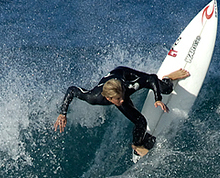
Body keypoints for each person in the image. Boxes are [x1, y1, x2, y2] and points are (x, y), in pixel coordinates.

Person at [53, 66, 190, 157]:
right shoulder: (94, 97)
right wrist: (62, 113)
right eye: (118, 99)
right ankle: (136, 145)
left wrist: (157, 99)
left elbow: (151, 78)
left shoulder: (128, 87)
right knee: (140, 121)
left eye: (122, 97)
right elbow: (72, 90)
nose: (122, 101)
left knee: (165, 88)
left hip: (123, 74)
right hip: (114, 87)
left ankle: (168, 77)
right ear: (108, 99)